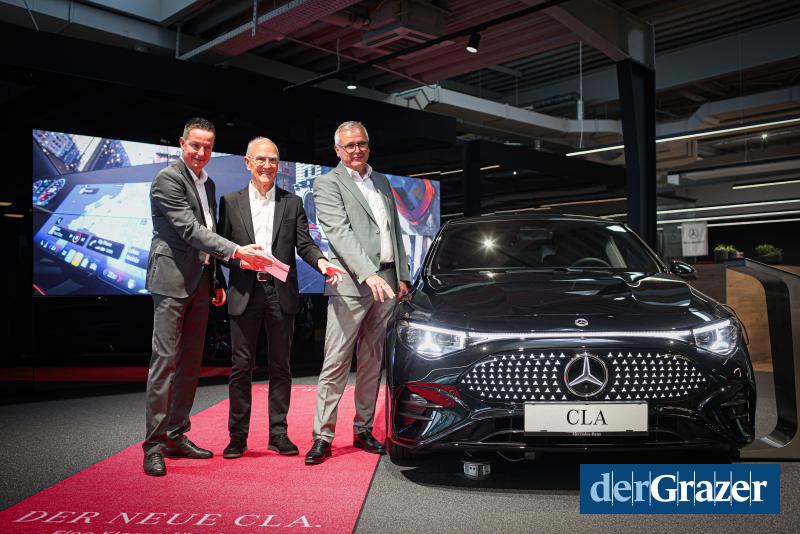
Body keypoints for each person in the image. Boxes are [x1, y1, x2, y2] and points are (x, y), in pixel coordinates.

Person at [143, 117, 273, 477]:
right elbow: (190, 230)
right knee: (164, 363)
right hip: (170, 280)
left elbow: (207, 231)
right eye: (195, 145)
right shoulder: (168, 179)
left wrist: (215, 278)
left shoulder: (207, 182)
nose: (201, 152)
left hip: (200, 281)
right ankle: (153, 445)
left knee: (189, 363)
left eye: (207, 146)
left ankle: (176, 435)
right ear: (181, 143)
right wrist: (237, 252)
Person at [218, 137, 345, 459]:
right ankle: (237, 437)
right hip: (244, 292)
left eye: (273, 160)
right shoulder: (229, 202)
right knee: (241, 368)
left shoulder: (292, 202)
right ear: (248, 163)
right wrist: (240, 261)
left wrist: (321, 262)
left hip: (280, 293)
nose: (267, 166)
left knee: (281, 367)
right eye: (260, 159)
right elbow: (221, 250)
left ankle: (278, 434)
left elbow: (305, 243)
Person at [305, 121, 411, 465]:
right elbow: (339, 233)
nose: (356, 150)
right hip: (351, 283)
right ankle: (322, 435)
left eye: (361, 143)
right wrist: (368, 274)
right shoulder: (327, 183)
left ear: (369, 145)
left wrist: (402, 276)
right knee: (336, 361)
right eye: (349, 145)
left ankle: (363, 428)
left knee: (372, 361)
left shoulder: (381, 181)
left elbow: (394, 231)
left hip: (387, 282)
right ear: (337, 150)